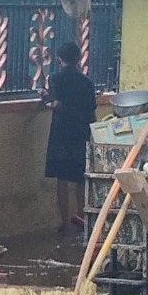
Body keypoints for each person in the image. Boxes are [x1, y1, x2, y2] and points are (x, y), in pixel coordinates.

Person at [44, 44, 99, 236]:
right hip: (81, 132)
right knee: (81, 178)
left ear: (59, 58)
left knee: (62, 178)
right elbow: (92, 110)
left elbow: (54, 103)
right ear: (78, 58)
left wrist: (45, 99)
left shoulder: (55, 79)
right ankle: (82, 219)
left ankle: (65, 222)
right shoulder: (87, 82)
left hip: (61, 132)